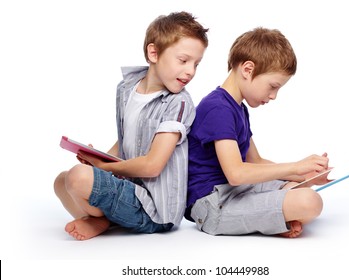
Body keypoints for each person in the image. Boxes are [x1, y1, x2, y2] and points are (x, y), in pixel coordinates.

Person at [54, 11, 208, 240]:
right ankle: (103, 219)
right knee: (61, 181)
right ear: (153, 53)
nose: (190, 71)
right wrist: (98, 159)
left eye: (196, 64)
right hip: (127, 187)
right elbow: (126, 139)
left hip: (154, 209)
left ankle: (101, 220)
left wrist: (103, 169)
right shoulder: (126, 88)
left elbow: (153, 166)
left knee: (78, 178)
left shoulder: (179, 103)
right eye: (183, 61)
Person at [185, 27, 330, 238]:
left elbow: (257, 162)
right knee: (310, 202)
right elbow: (236, 174)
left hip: (237, 190)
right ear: (247, 69)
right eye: (272, 86)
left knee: (299, 189)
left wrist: (302, 175)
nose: (273, 96)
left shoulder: (237, 108)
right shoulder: (218, 108)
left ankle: (273, 220)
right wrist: (296, 167)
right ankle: (274, 221)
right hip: (213, 204)